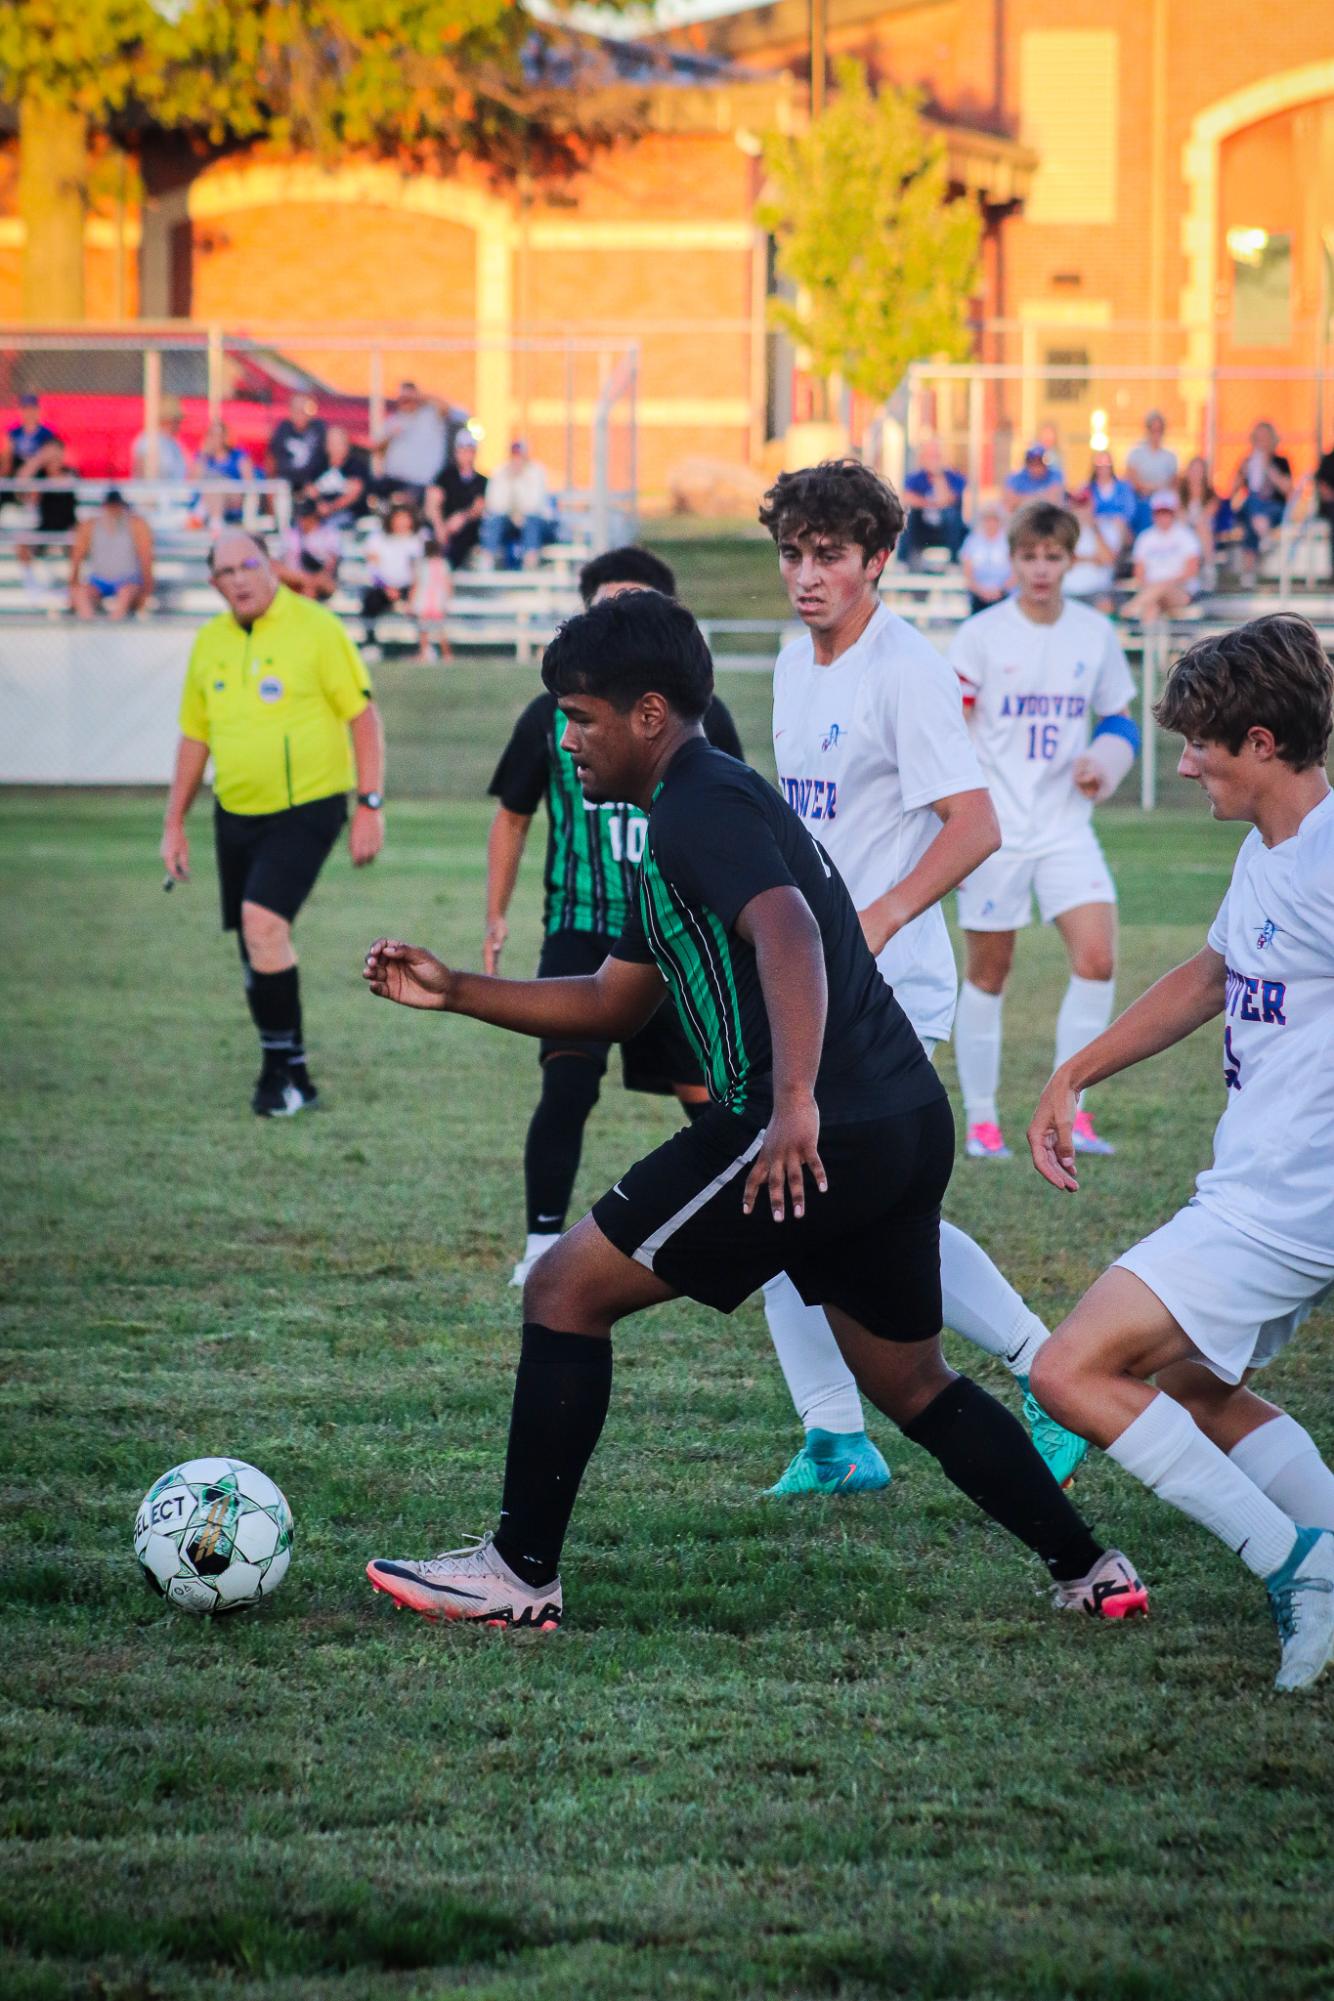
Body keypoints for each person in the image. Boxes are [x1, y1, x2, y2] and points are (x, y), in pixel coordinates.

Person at [362, 588, 1147, 1630]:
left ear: (648, 715)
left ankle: (516, 1575)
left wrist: (786, 1109)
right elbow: (609, 1000)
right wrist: (457, 988)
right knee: (910, 1382)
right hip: (898, 1120)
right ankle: (1089, 1568)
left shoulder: (699, 805)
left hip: (812, 1128)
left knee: (560, 1289)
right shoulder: (690, 812)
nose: (565, 738)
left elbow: (789, 934)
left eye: (580, 717)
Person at [757, 461, 1087, 1497]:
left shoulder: (903, 668)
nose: (806, 576)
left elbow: (974, 823)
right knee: (784, 1193)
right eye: (791, 555)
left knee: (814, 1196)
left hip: (887, 983)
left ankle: (1040, 1373)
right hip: (809, 980)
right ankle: (837, 1437)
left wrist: (874, 918)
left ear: (876, 561)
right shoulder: (788, 658)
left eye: (829, 557)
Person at [1027, 614, 1334, 1692]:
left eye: (1200, 741)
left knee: (1070, 1371)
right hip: (1263, 1185)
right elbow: (1209, 977)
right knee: (1192, 1383)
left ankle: (1294, 1565)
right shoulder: (1272, 851)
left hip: (1287, 1197)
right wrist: (1074, 1072)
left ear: (1259, 742)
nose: (1185, 762)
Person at [485, 545, 743, 1287]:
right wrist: (495, 916)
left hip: (675, 930)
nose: (615, 617)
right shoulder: (548, 717)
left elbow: (727, 816)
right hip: (581, 920)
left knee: (709, 1097)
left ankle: (748, 1234)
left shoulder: (702, 718)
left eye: (632, 602)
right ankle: (540, 1242)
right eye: (603, 604)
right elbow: (511, 816)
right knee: (566, 1084)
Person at [159, 531, 385, 1116]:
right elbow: (195, 735)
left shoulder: (316, 628)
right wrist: (174, 823)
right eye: (225, 572)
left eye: (249, 565)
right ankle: (297, 1072)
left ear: (272, 568)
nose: (238, 579)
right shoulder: (208, 642)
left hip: (308, 806)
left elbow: (362, 716)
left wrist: (369, 804)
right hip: (233, 811)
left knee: (261, 925)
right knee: (254, 944)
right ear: (213, 584)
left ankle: (277, 1074)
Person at [951, 500, 1139, 1163]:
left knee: (1097, 958)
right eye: (1028, 556)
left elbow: (1121, 720)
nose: (1039, 569)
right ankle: (981, 1120)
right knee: (990, 972)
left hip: (1066, 826)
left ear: (1070, 559)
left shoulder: (1095, 634)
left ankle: (1073, 1111)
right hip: (995, 832)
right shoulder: (981, 635)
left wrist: (1104, 762)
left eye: (1052, 557)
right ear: (1012, 558)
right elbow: (948, 728)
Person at [69, 488, 153, 620]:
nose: (114, 511)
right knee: (80, 594)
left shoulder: (136, 525)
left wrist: (146, 591)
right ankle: (89, 628)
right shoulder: (89, 526)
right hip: (99, 581)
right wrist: (72, 586)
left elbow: (146, 558)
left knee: (125, 594)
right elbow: (76, 558)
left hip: (127, 581)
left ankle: (113, 626)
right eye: (111, 506)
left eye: (116, 507)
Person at [1227, 421, 1292, 582]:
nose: (1261, 442)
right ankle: (1264, 535)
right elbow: (1231, 490)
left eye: (1265, 438)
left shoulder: (1281, 461)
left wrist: (1268, 468)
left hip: (1274, 507)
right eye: (1258, 439)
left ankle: (1249, 572)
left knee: (1252, 516)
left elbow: (1288, 489)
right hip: (1252, 508)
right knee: (1252, 500)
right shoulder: (1247, 461)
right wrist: (1244, 472)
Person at [1124, 488, 1202, 622]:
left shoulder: (1185, 535)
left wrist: (1165, 583)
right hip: (1152, 591)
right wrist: (1153, 586)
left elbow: (1192, 570)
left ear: (1173, 514)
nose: (1163, 517)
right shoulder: (1145, 538)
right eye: (1159, 513)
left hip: (1181, 591)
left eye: (1166, 513)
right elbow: (1139, 573)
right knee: (1152, 607)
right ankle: (1148, 641)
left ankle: (1131, 607)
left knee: (1162, 586)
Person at [481, 440, 555, 570]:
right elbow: (493, 504)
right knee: (494, 522)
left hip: (536, 522)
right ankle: (487, 562)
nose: (517, 460)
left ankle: (530, 564)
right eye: (514, 455)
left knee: (531, 522)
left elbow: (535, 504)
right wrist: (512, 512)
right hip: (508, 520)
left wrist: (519, 482)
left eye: (520, 455)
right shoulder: (500, 471)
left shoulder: (537, 471)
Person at [371, 381, 447, 505]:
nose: (405, 402)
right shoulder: (393, 420)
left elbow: (445, 407)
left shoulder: (430, 416)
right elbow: (376, 447)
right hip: (393, 479)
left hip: (419, 482)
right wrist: (390, 437)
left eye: (408, 398)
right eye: (402, 398)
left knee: (403, 502)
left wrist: (422, 397)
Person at [360, 502, 422, 650]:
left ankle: (424, 647)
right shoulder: (377, 539)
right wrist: (387, 588)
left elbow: (419, 571)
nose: (401, 522)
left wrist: (413, 593)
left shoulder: (417, 540)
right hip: (383, 588)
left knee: (423, 604)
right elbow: (372, 568)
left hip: (409, 588)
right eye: (398, 518)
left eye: (405, 518)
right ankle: (371, 644)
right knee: (370, 602)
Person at [897, 438, 967, 566]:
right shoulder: (915, 477)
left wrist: (938, 476)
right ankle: (903, 561)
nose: (934, 460)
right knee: (910, 517)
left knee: (952, 515)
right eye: (930, 456)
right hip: (924, 528)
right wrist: (932, 504)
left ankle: (954, 563)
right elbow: (907, 498)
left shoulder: (954, 477)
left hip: (946, 529)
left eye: (937, 456)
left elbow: (947, 500)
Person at [425, 432, 488, 569]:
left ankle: (448, 569)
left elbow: (479, 507)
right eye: (462, 450)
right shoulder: (444, 476)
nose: (465, 454)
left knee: (464, 535)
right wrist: (440, 526)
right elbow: (432, 503)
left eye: (469, 450)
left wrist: (462, 517)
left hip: (467, 528)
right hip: (443, 526)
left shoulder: (481, 481)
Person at [1063, 486, 1125, 611]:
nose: (1081, 509)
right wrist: (1093, 559)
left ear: (1092, 505)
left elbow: (1108, 559)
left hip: (1099, 591)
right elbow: (1065, 560)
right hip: (1067, 592)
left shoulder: (1107, 527)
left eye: (1084, 504)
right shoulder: (1063, 530)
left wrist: (1093, 528)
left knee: (1106, 605)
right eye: (1077, 505)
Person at [275, 499, 341, 601]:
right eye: (300, 516)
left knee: (311, 586)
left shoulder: (329, 534)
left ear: (314, 516)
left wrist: (310, 578)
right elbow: (279, 563)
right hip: (295, 577)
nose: (302, 520)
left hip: (320, 578)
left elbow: (331, 565)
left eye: (305, 516)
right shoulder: (290, 534)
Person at [193, 419, 254, 526]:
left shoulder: (237, 455)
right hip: (210, 495)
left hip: (233, 497)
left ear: (225, 436)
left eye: (219, 435)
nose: (216, 439)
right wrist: (203, 455)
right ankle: (215, 520)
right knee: (213, 486)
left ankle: (202, 515)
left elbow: (249, 481)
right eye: (212, 435)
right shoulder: (203, 457)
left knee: (217, 483)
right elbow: (193, 481)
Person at [308, 425, 371, 529]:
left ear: (346, 445)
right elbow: (310, 489)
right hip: (318, 514)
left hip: (348, 515)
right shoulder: (319, 465)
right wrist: (318, 504)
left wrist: (331, 507)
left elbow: (353, 494)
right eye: (331, 443)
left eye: (338, 443)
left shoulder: (356, 466)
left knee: (333, 524)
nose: (334, 447)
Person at [1125, 410, 1178, 532]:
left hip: (1163, 496)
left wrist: (1157, 490)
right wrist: (1150, 489)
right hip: (1141, 496)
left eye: (1159, 430)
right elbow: (1132, 480)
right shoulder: (1136, 453)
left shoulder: (1170, 456)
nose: (1156, 434)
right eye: (1153, 430)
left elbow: (1173, 482)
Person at [958, 495, 1012, 613]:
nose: (991, 523)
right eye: (987, 519)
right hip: (978, 594)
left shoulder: (1009, 541)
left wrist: (1000, 590)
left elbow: (1016, 573)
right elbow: (967, 573)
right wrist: (981, 591)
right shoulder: (972, 541)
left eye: (994, 519)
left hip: (1003, 593)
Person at [267, 395, 328, 491]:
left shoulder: (319, 429)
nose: (300, 414)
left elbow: (331, 457)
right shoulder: (283, 429)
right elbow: (271, 458)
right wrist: (271, 485)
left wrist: (319, 482)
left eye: (303, 410)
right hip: (286, 482)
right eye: (296, 410)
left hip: (314, 483)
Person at [130, 395, 190, 483]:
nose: (179, 425)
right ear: (168, 420)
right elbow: (140, 472)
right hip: (156, 494)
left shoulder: (174, 443)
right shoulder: (148, 440)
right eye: (177, 421)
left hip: (173, 493)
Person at [412, 537, 453, 661]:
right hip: (438, 600)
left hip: (424, 599)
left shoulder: (422, 565)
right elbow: (448, 584)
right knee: (440, 629)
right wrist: (448, 599)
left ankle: (424, 652)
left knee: (424, 630)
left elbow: (416, 584)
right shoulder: (444, 564)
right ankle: (447, 654)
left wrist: (411, 600)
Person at [1178, 456, 1220, 576]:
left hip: (1203, 526)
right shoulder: (1180, 492)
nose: (1196, 474)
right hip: (1185, 526)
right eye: (1194, 470)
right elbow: (1179, 512)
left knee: (1202, 527)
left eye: (1199, 470)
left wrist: (1195, 522)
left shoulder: (1210, 494)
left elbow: (1208, 513)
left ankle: (1208, 566)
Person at [1088, 450, 1138, 533]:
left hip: (1120, 527)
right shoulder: (1088, 488)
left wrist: (1119, 519)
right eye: (1100, 465)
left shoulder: (1124, 487)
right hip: (1096, 528)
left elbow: (1130, 510)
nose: (1103, 468)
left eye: (1106, 465)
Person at [1004, 443, 1062, 512]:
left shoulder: (1055, 474)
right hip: (1024, 518)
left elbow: (1054, 501)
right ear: (1027, 464)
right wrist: (1042, 497)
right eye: (1032, 463)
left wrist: (1022, 499)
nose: (1036, 468)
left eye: (1040, 464)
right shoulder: (1016, 477)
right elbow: (1010, 504)